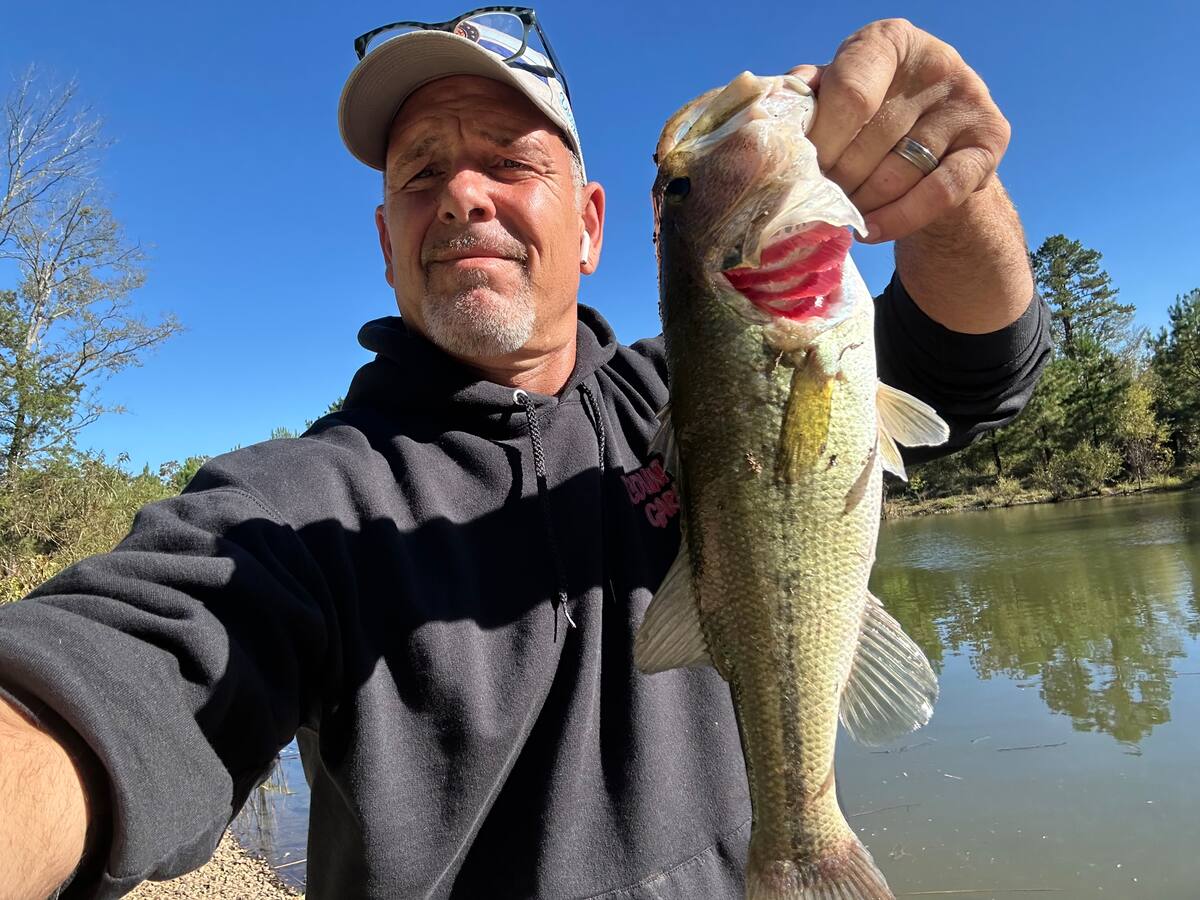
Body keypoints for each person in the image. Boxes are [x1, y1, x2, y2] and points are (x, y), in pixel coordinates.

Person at [0, 9, 1050, 899]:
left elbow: (975, 366)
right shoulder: (300, 502)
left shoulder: (684, 392)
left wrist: (947, 196)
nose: (462, 195)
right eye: (422, 174)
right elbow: (116, 676)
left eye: (508, 162)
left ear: (591, 229)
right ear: (387, 244)